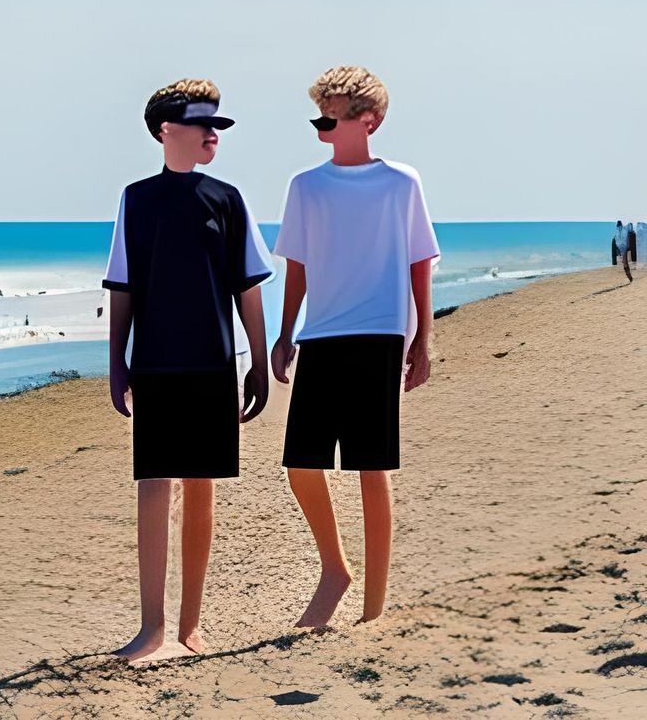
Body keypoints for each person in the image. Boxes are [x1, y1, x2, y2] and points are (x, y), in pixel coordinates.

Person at [104, 78, 273, 659]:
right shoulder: (136, 199)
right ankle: (151, 629)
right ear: (165, 130)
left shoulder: (227, 200)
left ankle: (189, 627)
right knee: (154, 486)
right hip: (154, 364)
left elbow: (248, 286)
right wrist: (115, 363)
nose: (213, 136)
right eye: (203, 125)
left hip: (213, 365)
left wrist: (255, 361)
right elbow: (122, 287)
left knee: (201, 487)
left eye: (218, 127)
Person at [271, 66, 439, 629]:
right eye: (317, 115)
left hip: (381, 333)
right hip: (321, 332)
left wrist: (423, 340)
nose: (321, 124)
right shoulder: (306, 186)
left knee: (372, 466)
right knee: (300, 463)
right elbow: (297, 265)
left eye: (331, 115)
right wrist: (284, 332)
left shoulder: (402, 183)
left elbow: (420, 263)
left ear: (369, 121)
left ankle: (373, 610)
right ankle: (335, 569)